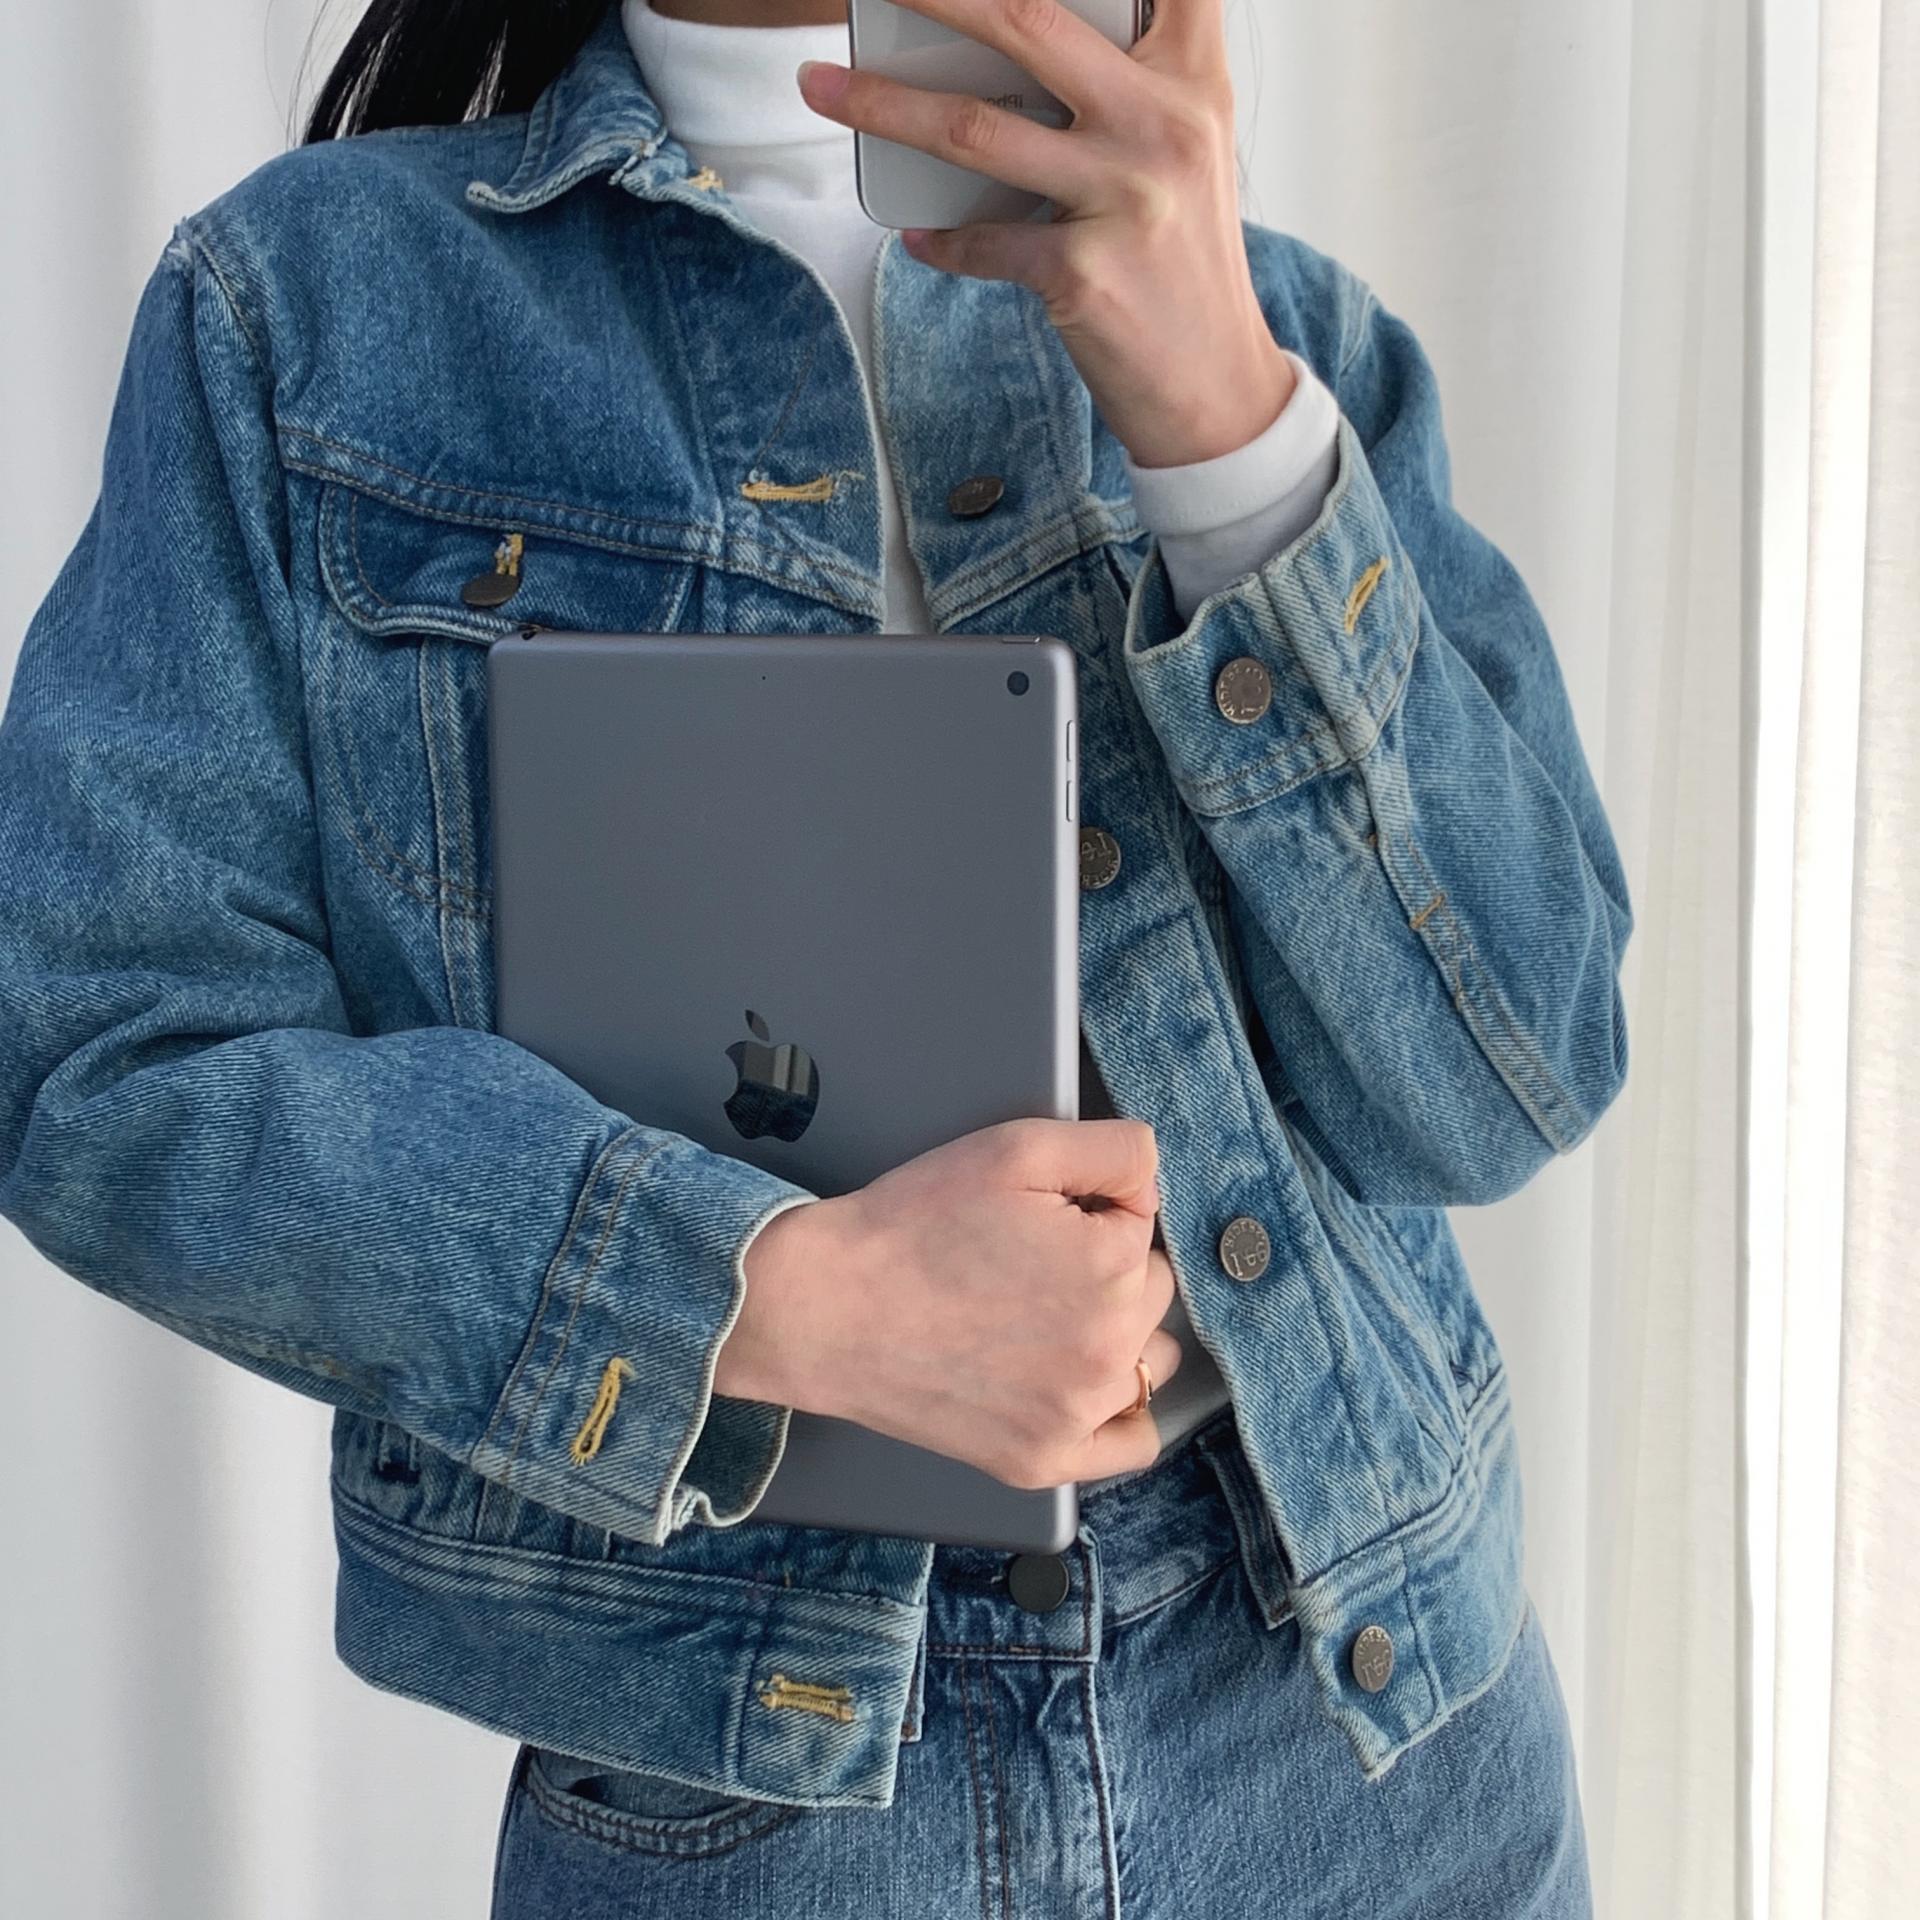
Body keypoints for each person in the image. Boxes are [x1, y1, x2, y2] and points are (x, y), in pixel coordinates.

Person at [0, 1, 1630, 1912]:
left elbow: (1511, 1079)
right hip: (749, 1787)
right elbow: (102, 1052)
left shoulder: (1275, 324)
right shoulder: (304, 308)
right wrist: (776, 1298)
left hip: (1373, 1734)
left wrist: (1222, 423)